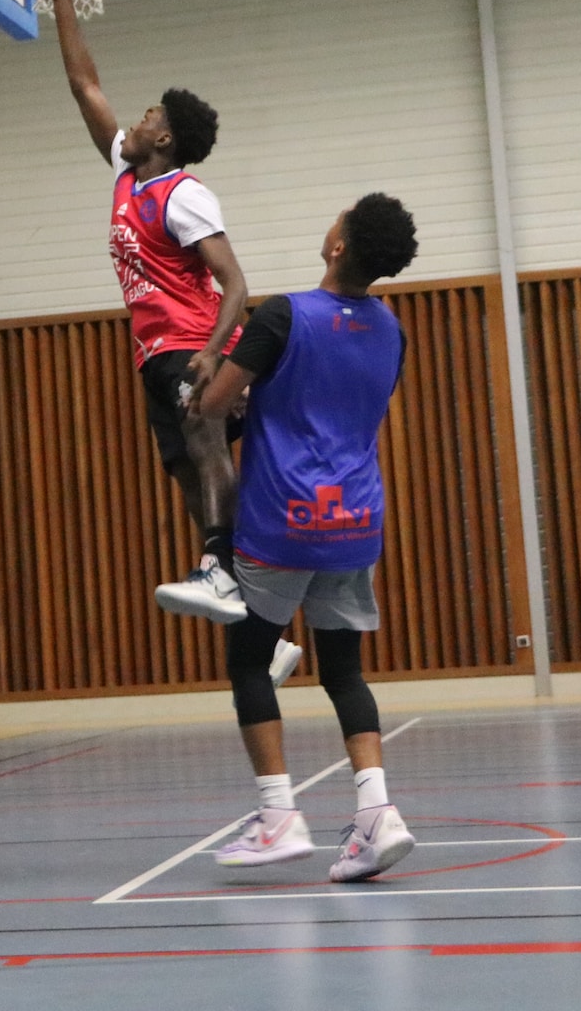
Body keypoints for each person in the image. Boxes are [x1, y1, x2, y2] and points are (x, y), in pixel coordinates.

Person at [25, 0, 299, 686]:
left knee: (208, 445)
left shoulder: (184, 194)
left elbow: (237, 283)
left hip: (196, 343)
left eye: (149, 114)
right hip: (156, 351)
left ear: (167, 139)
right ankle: (264, 629)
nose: (137, 117)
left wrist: (215, 354)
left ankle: (218, 567)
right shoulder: (127, 174)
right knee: (185, 470)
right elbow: (85, 83)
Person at [193, 193, 419, 883]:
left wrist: (206, 391)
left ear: (338, 246)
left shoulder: (285, 315)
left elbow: (211, 406)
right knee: (344, 670)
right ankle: (378, 812)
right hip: (355, 521)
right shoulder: (390, 328)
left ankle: (276, 816)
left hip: (280, 518)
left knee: (250, 662)